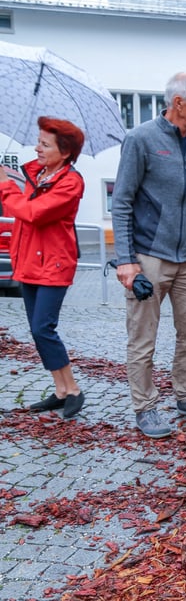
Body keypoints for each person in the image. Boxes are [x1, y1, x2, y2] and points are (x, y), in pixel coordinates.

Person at [112, 71, 186, 439]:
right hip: (150, 257)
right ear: (179, 103)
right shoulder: (140, 139)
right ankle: (145, 407)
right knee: (143, 338)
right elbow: (122, 203)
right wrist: (126, 260)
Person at [0, 117, 86, 418]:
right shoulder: (37, 174)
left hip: (53, 265)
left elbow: (34, 213)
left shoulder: (71, 182)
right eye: (38, 141)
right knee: (38, 331)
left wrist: (5, 186)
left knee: (42, 327)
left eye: (44, 144)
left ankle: (73, 388)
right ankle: (61, 389)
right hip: (28, 262)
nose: (37, 148)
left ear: (64, 152)